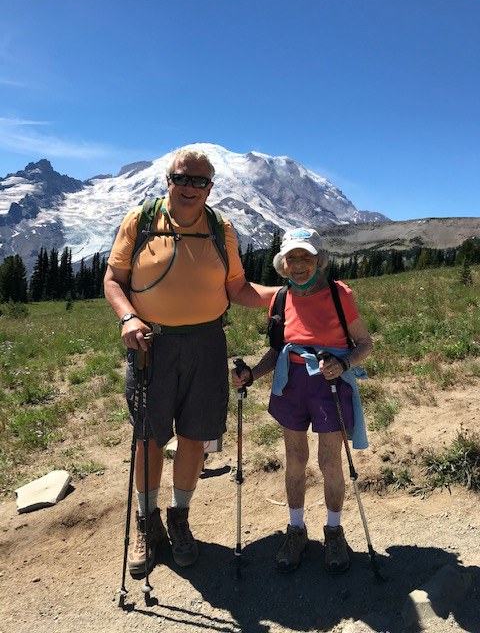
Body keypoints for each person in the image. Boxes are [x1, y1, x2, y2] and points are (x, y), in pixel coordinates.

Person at [104, 146, 278, 575]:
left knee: (195, 438)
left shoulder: (222, 229)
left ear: (210, 188)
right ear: (168, 180)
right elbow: (113, 280)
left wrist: (289, 295)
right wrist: (127, 316)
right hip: (150, 344)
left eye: (199, 181)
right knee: (149, 438)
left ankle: (178, 518)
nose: (190, 187)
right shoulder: (140, 222)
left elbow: (237, 288)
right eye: (182, 178)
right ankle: (146, 523)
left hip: (205, 343)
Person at [232, 228, 372, 574]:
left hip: (330, 385)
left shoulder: (340, 295)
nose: (298, 265)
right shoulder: (281, 299)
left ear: (318, 260)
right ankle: (296, 529)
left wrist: (343, 364)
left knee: (329, 462)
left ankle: (334, 531)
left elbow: (365, 344)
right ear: (282, 264)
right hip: (291, 383)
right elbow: (277, 350)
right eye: (291, 258)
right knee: (294, 458)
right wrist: (251, 375)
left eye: (306, 257)